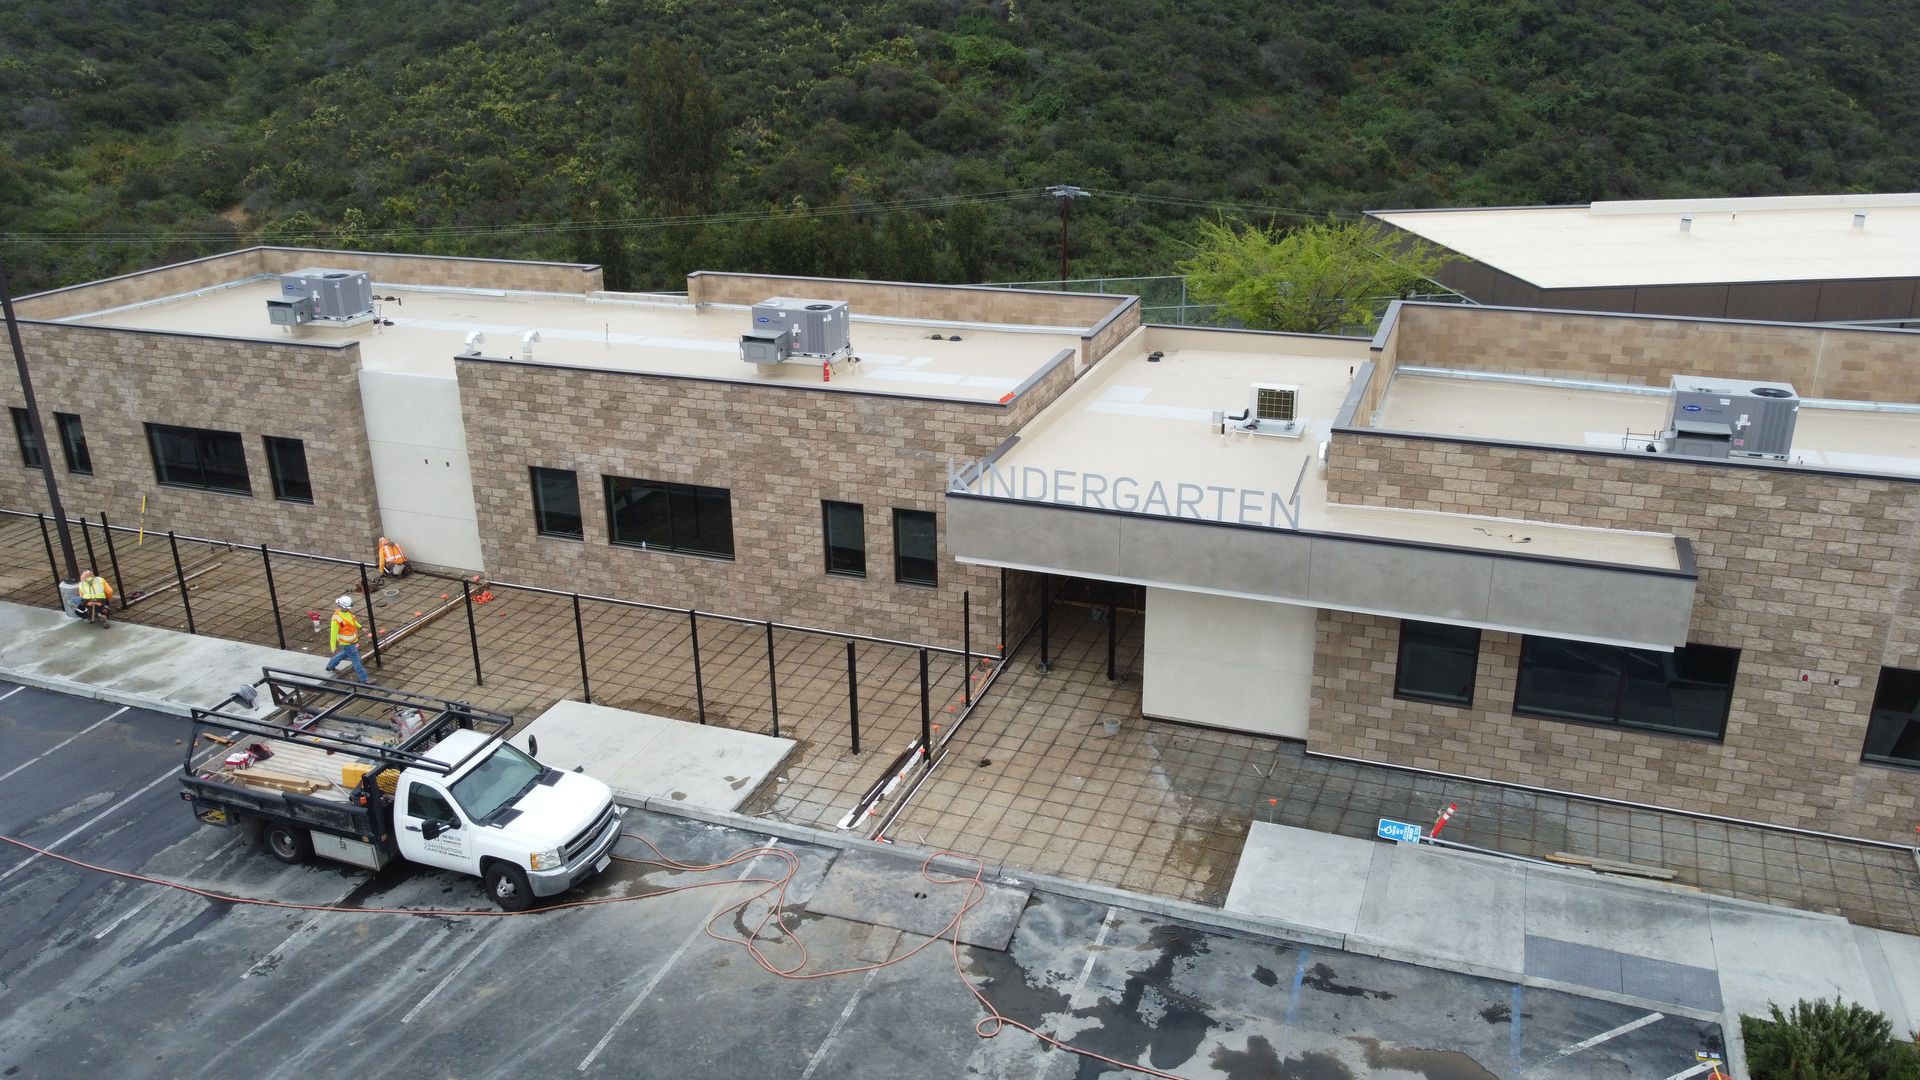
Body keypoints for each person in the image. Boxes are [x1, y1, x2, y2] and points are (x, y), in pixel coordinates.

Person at [324, 595, 370, 683]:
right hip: (346, 643)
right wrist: (333, 647)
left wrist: (361, 627)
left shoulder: (347, 613)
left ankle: (330, 666)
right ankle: (364, 678)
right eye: (347, 608)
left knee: (344, 654)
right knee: (356, 660)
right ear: (341, 606)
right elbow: (333, 634)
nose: (349, 609)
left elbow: (352, 622)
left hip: (351, 642)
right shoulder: (336, 619)